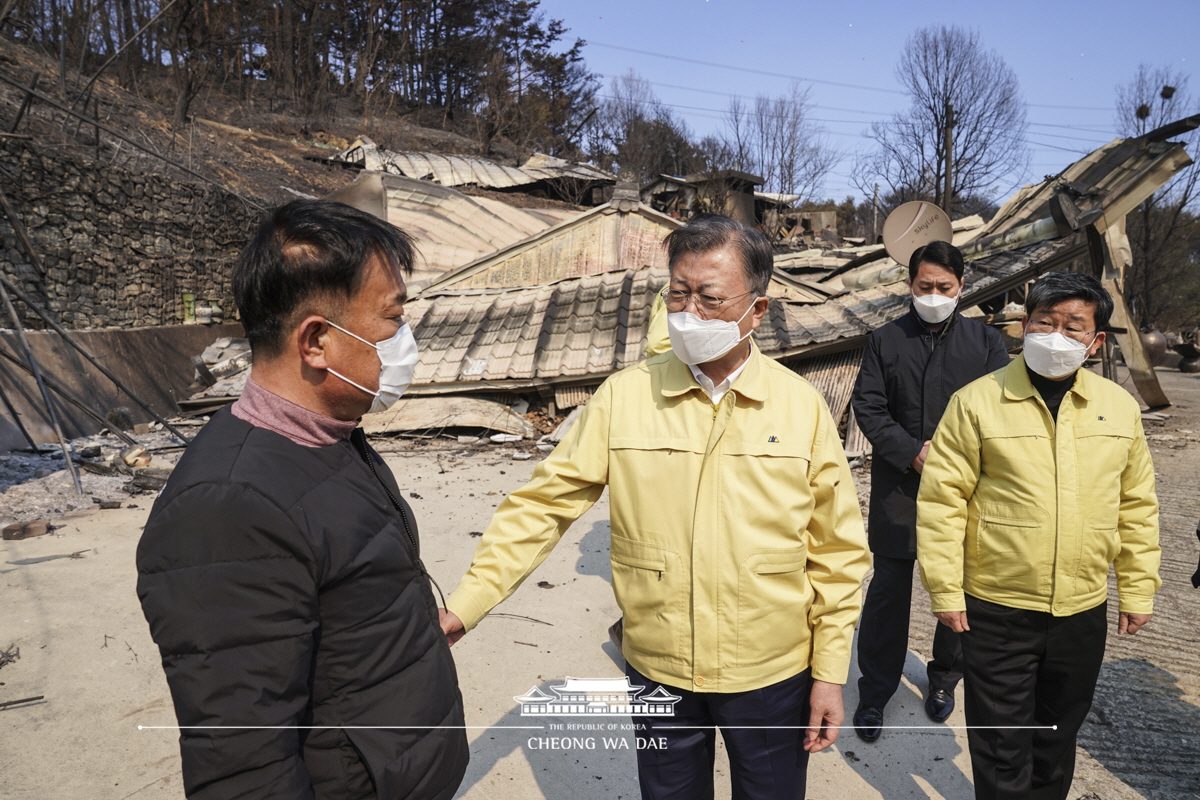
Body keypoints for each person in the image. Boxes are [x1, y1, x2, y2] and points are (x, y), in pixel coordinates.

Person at [441, 214, 870, 800]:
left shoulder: (800, 409)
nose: (690, 313)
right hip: (658, 665)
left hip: (770, 670)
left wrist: (829, 672)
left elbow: (838, 552)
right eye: (679, 293)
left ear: (757, 311)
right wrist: (467, 604)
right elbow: (541, 506)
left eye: (712, 298)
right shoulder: (626, 397)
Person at [136, 200, 469, 800]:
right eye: (392, 319)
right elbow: (242, 762)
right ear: (315, 341)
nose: (403, 340)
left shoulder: (329, 433)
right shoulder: (227, 508)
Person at [916, 271, 1161, 800]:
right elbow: (941, 503)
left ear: (1095, 343)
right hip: (997, 607)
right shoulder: (977, 402)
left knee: (1055, 739)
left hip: (1081, 610)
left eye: (1074, 326)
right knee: (1002, 745)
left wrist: (1138, 588)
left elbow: (1137, 505)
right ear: (1023, 328)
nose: (1057, 335)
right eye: (1045, 322)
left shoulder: (1118, 408)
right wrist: (945, 589)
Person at [849, 240, 1009, 741]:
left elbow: (1002, 412)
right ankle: (875, 691)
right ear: (910, 286)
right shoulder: (885, 340)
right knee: (888, 595)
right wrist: (912, 451)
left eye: (944, 287)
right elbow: (869, 407)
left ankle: (944, 680)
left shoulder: (985, 344)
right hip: (900, 488)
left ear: (961, 288)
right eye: (925, 286)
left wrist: (957, 460)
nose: (934, 294)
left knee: (957, 594)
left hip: (964, 492)